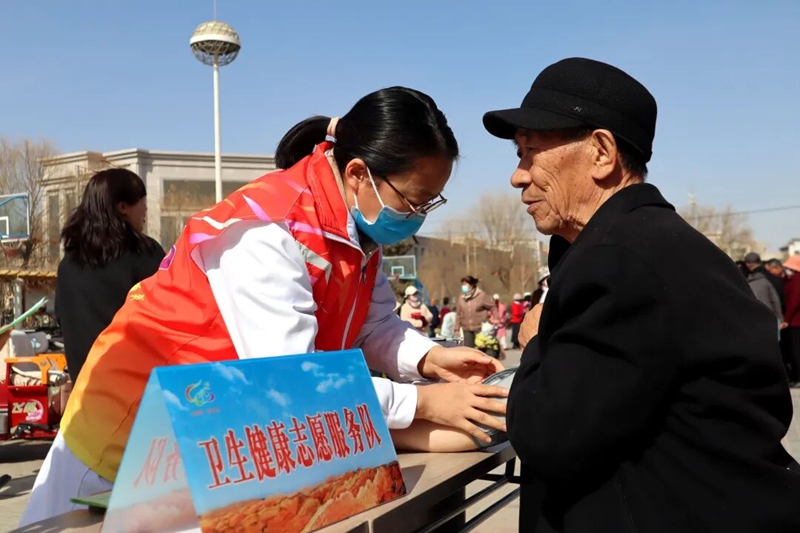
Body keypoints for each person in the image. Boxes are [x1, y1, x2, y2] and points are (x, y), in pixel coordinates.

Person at [21, 87, 508, 526]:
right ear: (359, 174)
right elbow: (294, 380)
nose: (417, 216)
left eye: (430, 203)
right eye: (415, 201)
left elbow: (373, 324)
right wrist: (425, 402)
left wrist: (430, 359)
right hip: (127, 440)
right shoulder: (268, 228)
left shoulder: (359, 232)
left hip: (214, 438)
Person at [484, 57, 800, 532]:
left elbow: (550, 433)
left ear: (601, 152)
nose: (518, 175)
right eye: (518, 155)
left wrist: (535, 344)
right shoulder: (652, 242)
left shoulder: (619, 261)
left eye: (531, 152)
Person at [56, 169, 165, 383]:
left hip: (86, 392)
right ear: (123, 207)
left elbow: (64, 323)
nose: (145, 208)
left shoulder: (67, 265)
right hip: (137, 391)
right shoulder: (145, 254)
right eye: (142, 201)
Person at [455, 275, 494, 348]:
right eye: (462, 285)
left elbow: (492, 306)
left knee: (480, 349)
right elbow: (458, 314)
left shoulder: (481, 295)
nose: (463, 287)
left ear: (471, 285)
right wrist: (457, 329)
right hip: (466, 328)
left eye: (465, 284)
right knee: (468, 350)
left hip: (480, 328)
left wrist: (496, 318)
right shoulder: (461, 297)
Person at [782, 255, 800, 386]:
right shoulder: (792, 279)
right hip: (794, 320)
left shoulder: (797, 280)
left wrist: (787, 319)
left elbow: (794, 301)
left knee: (795, 350)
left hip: (795, 321)